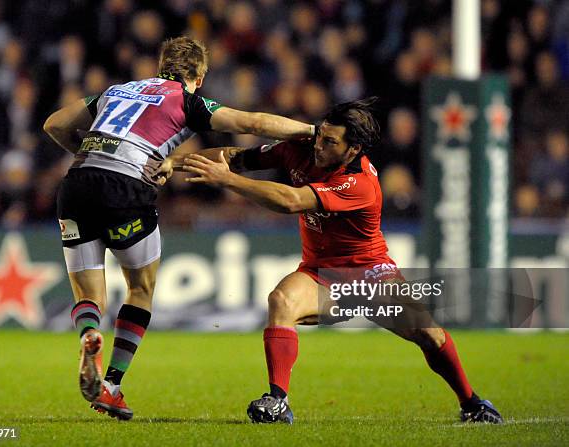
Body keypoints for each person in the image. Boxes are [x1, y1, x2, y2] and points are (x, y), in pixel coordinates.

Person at [175, 99, 503, 425]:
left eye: (330, 142)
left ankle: (472, 403)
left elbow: (291, 201)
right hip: (320, 273)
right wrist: (173, 163)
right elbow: (233, 158)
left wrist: (228, 181)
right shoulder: (301, 147)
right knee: (281, 300)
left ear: (352, 149)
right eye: (320, 136)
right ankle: (277, 401)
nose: (319, 145)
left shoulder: (359, 183)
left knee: (429, 334)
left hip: (370, 273)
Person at [43, 36, 314, 421]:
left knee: (89, 294)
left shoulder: (118, 90)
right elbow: (252, 123)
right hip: (127, 189)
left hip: (76, 183)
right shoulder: (188, 101)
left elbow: (53, 123)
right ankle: (113, 382)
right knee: (140, 288)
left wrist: (94, 156)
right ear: (199, 77)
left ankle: (89, 333)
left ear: (160, 65)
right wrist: (311, 130)